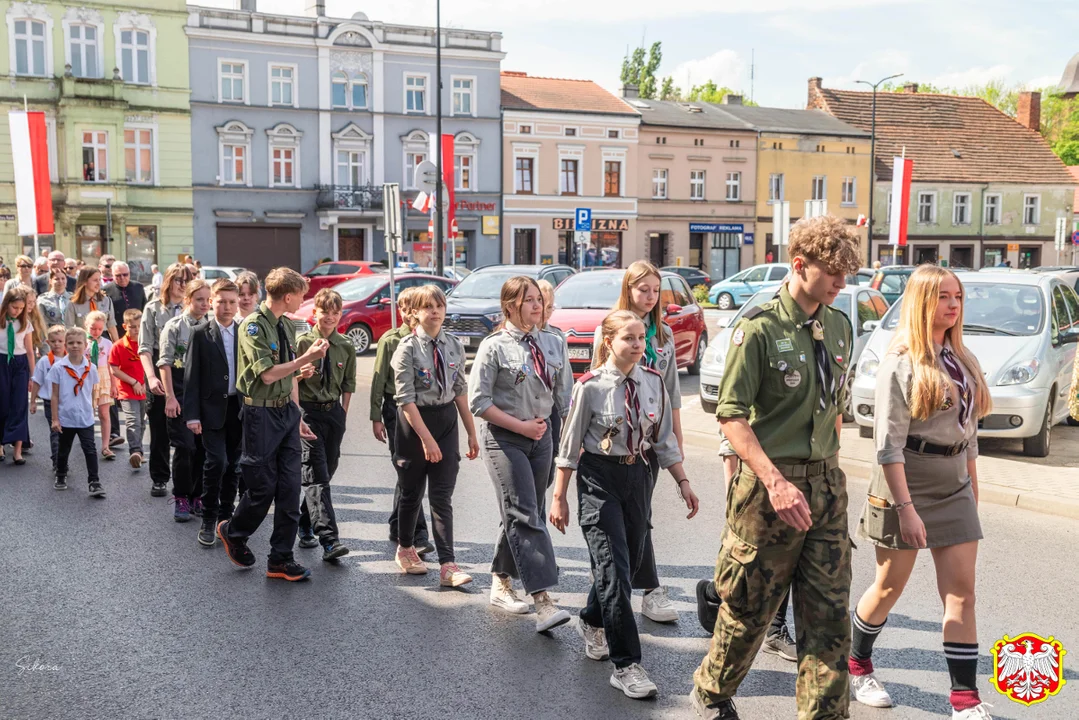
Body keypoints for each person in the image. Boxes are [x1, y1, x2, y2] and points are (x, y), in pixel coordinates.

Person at [691, 215, 861, 720]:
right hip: (769, 490)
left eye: (847, 274)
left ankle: (824, 714)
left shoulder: (839, 325)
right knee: (749, 611)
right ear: (800, 264)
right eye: (833, 273)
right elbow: (731, 416)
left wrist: (826, 471)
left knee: (829, 616)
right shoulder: (759, 328)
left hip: (826, 488)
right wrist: (775, 481)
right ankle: (713, 692)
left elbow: (834, 408)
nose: (842, 284)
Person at [848, 266, 992, 719]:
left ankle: (964, 701)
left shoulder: (963, 357)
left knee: (962, 594)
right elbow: (886, 447)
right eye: (943, 297)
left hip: (954, 484)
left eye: (958, 296)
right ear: (922, 302)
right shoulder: (902, 360)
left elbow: (969, 433)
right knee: (889, 586)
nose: (952, 305)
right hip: (904, 482)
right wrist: (906, 510)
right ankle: (858, 666)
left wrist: (972, 487)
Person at [551, 310, 699, 700]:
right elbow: (568, 449)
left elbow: (664, 441)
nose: (637, 345)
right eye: (628, 338)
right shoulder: (590, 388)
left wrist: (683, 481)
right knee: (613, 570)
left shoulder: (652, 383)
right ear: (609, 342)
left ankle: (592, 619)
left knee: (627, 566)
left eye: (640, 338)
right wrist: (559, 497)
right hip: (599, 478)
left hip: (639, 477)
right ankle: (627, 664)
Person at [468, 276, 574, 632]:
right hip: (504, 438)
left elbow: (565, 398)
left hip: (541, 437)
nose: (537, 306)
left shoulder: (553, 342)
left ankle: (501, 581)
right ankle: (543, 599)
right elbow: (478, 402)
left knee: (526, 510)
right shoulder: (494, 346)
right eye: (529, 300)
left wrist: (572, 441)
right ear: (510, 305)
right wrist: (520, 426)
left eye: (539, 301)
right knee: (524, 512)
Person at [217, 267, 329, 582]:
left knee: (290, 489)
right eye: (301, 296)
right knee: (263, 487)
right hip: (260, 415)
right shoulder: (254, 326)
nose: (302, 302)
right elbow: (266, 375)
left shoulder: (284, 324)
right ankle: (234, 530)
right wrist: (305, 359)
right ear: (288, 296)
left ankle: (280, 559)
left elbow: (285, 374)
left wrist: (298, 414)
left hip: (284, 413)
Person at [591, 260, 683, 624]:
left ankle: (645, 588)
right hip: (616, 437)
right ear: (628, 289)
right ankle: (643, 587)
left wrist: (677, 436)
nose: (649, 296)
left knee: (641, 513)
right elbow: (597, 385)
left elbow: (672, 391)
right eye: (642, 289)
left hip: (653, 435)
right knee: (627, 517)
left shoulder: (662, 334)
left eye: (655, 290)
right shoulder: (610, 329)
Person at [390, 285, 478, 585]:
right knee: (411, 492)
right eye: (428, 306)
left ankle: (447, 565)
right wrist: (427, 440)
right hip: (415, 424)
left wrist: (470, 432)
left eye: (440, 305)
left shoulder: (453, 344)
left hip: (446, 421)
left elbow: (460, 391)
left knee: (442, 496)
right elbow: (406, 401)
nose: (436, 311)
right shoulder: (406, 348)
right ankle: (405, 547)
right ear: (415, 313)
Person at [292, 289, 358, 561]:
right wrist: (300, 373)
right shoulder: (303, 342)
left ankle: (305, 521)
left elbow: (348, 384)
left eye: (335, 312)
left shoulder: (345, 345)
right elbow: (289, 378)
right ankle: (329, 539)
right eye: (324, 312)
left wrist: (342, 414)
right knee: (315, 474)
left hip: (333, 414)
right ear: (314, 313)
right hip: (308, 413)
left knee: (328, 469)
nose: (330, 317)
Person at [371, 287, 433, 553]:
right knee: (408, 469)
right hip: (396, 409)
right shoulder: (390, 340)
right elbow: (377, 379)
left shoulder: (428, 339)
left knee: (410, 473)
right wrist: (376, 417)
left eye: (414, 308)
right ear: (400, 311)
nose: (410, 313)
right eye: (405, 308)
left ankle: (398, 524)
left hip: (422, 410)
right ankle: (419, 534)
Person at [184, 279, 243, 548]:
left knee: (234, 465)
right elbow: (191, 378)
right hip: (210, 411)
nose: (227, 307)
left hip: (239, 409)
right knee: (215, 462)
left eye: (232, 302)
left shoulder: (245, 333)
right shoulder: (200, 333)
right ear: (212, 303)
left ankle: (225, 518)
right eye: (221, 302)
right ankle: (208, 518)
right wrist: (192, 415)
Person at [159, 279, 211, 522]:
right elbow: (166, 364)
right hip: (179, 393)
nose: (204, 304)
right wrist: (169, 397)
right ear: (188, 300)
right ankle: (180, 497)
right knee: (185, 447)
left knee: (203, 448)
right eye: (199, 299)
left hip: (203, 395)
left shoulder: (211, 326)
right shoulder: (174, 326)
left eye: (207, 300)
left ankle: (197, 495)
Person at [139, 263, 191, 497]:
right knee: (159, 428)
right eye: (179, 280)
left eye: (187, 280)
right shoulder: (153, 308)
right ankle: (159, 477)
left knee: (188, 428)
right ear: (169, 281)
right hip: (160, 366)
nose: (183, 285)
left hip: (187, 368)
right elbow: (145, 348)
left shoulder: (194, 308)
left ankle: (188, 481)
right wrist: (151, 377)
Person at [49, 327, 104, 496]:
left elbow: (93, 390)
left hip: (85, 417)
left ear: (85, 345)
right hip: (66, 417)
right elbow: (55, 396)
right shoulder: (59, 368)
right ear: (65, 345)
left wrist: (93, 409)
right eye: (71, 343)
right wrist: (55, 419)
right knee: (64, 449)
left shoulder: (91, 368)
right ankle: (60, 474)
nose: (75, 346)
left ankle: (94, 481)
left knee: (90, 449)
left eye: (79, 343)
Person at [109, 309, 148, 469]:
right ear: (125, 326)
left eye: (139, 326)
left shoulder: (146, 343)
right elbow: (114, 369)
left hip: (145, 389)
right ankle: (135, 451)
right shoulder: (119, 345)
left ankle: (139, 452)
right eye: (132, 326)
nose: (136, 330)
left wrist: (146, 382)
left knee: (143, 421)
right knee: (133, 421)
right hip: (127, 390)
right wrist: (133, 382)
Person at [0, 286, 35, 465]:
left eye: (21, 308)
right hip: (2, 361)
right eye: (15, 308)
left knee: (20, 404)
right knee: (2, 403)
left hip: (20, 364)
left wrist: (32, 376)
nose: (18, 311)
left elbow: (29, 351)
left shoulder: (25, 324)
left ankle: (18, 450)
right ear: (6, 305)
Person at [31, 325, 67, 471]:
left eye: (60, 341)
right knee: (55, 430)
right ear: (48, 342)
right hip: (49, 402)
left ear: (65, 341)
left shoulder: (71, 359)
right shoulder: (45, 361)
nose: (57, 344)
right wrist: (33, 401)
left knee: (66, 432)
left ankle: (62, 458)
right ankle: (57, 460)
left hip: (67, 401)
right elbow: (36, 381)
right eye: (53, 341)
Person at [84, 311, 115, 461]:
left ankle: (105, 446)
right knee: (88, 413)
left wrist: (114, 385)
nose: (96, 332)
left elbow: (111, 366)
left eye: (99, 329)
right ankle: (88, 443)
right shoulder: (82, 341)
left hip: (103, 378)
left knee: (104, 413)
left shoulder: (107, 343)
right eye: (92, 328)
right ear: (86, 326)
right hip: (86, 377)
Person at [65, 268, 118, 341]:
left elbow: (111, 326)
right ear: (85, 282)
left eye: (99, 280)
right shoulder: (73, 303)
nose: (99, 283)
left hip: (103, 340)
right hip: (83, 340)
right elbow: (69, 329)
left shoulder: (106, 300)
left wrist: (117, 346)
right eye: (95, 280)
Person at [38, 270, 70, 336]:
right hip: (52, 336)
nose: (60, 281)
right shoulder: (43, 299)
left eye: (63, 278)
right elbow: (40, 322)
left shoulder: (73, 298)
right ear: (50, 281)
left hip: (70, 335)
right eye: (56, 279)